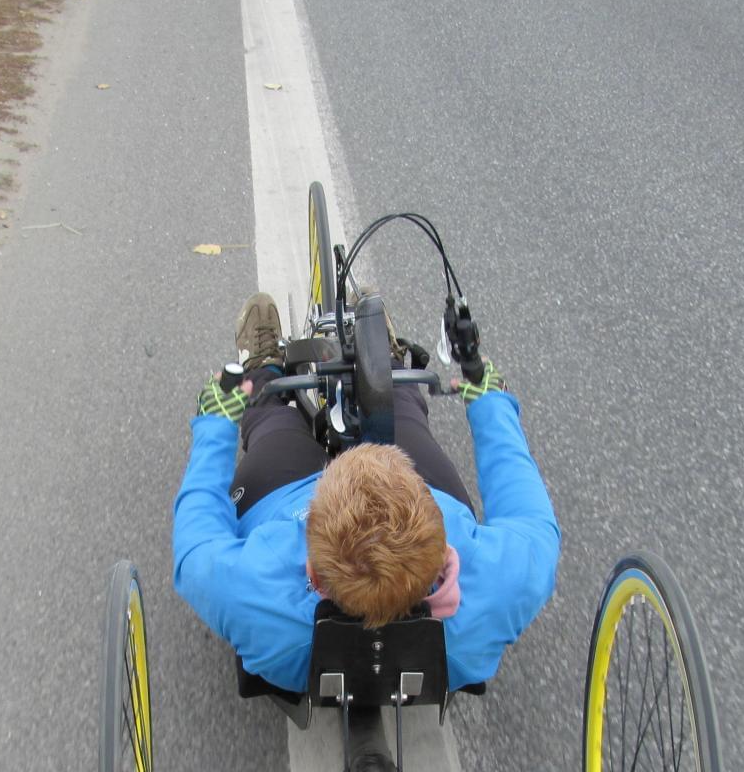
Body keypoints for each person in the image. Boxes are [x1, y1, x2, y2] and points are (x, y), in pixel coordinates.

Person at [173, 292, 559, 693]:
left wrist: (215, 422)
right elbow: (526, 505)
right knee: (403, 414)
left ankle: (263, 372)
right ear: (444, 545)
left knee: (270, 420)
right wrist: (491, 401)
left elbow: (195, 543)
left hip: (283, 503)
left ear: (311, 572)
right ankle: (387, 365)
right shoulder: (504, 584)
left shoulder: (254, 592)